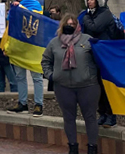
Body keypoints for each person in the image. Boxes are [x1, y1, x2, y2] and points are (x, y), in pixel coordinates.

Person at [42, 14, 99, 154]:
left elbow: (100, 59)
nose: (70, 26)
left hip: (88, 86)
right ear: (62, 25)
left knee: (90, 117)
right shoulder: (54, 43)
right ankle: (72, 147)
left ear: (77, 26)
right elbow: (45, 61)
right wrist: (51, 75)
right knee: (68, 118)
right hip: (63, 87)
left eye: (73, 24)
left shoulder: (88, 40)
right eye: (67, 24)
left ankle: (92, 148)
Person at [81, 0, 124, 128]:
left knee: (107, 87)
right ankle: (103, 113)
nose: (89, 1)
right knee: (97, 86)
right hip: (95, 56)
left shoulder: (105, 13)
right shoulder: (90, 14)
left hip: (105, 57)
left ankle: (111, 115)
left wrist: (86, 18)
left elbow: (95, 28)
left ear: (99, 1)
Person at [7, 0, 44, 117]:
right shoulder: (13, 7)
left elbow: (37, 16)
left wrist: (20, 7)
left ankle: (38, 104)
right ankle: (22, 103)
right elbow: (9, 23)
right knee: (20, 76)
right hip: (19, 46)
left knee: (36, 77)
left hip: (33, 45)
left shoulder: (34, 4)